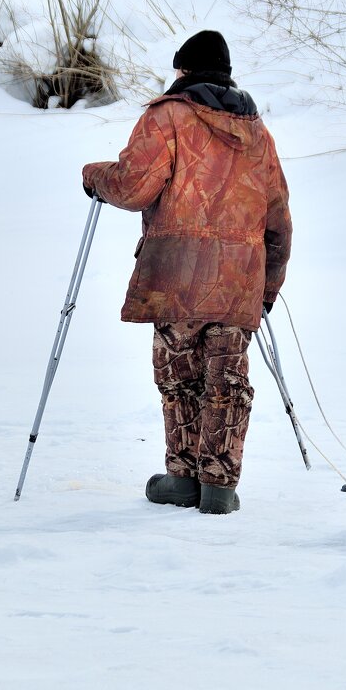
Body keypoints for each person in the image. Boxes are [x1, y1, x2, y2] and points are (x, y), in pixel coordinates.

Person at [82, 30, 292, 514]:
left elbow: (133, 186)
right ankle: (218, 484)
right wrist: (267, 288)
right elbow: (278, 220)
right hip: (238, 283)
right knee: (226, 381)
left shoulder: (167, 116)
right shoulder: (258, 133)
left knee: (180, 380)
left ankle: (182, 476)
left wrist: (94, 176)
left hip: (176, 277)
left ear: (183, 71)